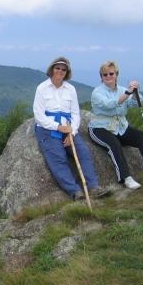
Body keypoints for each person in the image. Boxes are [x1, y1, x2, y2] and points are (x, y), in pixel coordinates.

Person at [88, 60, 143, 189]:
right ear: (101, 77)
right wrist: (127, 93)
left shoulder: (122, 89)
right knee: (114, 145)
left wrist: (135, 92)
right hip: (100, 128)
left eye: (111, 73)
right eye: (105, 75)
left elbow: (137, 103)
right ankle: (126, 178)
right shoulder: (97, 92)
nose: (108, 77)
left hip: (121, 127)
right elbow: (110, 105)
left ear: (116, 75)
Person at [33, 57, 106, 200]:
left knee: (83, 152)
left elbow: (75, 113)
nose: (60, 71)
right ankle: (75, 191)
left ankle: (93, 187)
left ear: (67, 72)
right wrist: (58, 127)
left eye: (63, 69)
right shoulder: (42, 88)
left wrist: (72, 132)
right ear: (52, 69)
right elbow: (38, 115)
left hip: (68, 129)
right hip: (48, 128)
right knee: (58, 157)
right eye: (57, 68)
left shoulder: (70, 89)